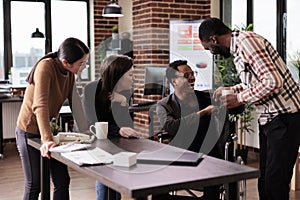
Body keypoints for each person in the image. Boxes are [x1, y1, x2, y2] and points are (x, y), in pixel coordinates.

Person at [199, 17, 300, 200]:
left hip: (284, 118)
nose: (212, 53)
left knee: (275, 183)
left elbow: (273, 82)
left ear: (213, 39)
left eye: (208, 48)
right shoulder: (239, 47)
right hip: (270, 119)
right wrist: (233, 89)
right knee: (265, 182)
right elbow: (256, 81)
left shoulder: (247, 43)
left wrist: (238, 98)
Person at [15, 37, 89, 200]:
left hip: (50, 131)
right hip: (29, 130)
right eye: (81, 63)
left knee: (62, 181)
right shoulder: (45, 67)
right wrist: (47, 140)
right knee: (35, 184)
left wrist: (86, 132)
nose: (83, 67)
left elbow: (75, 103)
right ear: (65, 62)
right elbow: (40, 105)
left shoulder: (70, 73)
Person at [156, 60, 226, 200]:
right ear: (174, 81)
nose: (192, 78)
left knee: (213, 181)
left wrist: (231, 95)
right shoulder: (164, 105)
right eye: (186, 75)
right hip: (179, 156)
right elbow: (172, 127)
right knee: (155, 184)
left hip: (208, 156)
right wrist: (202, 113)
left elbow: (238, 108)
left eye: (193, 74)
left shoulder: (208, 97)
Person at [93, 54, 148, 200]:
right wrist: (117, 129)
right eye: (130, 75)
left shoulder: (125, 91)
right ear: (118, 76)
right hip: (97, 143)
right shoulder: (93, 90)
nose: (133, 78)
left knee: (117, 182)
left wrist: (122, 102)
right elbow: (93, 124)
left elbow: (127, 125)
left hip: (118, 142)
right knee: (106, 180)